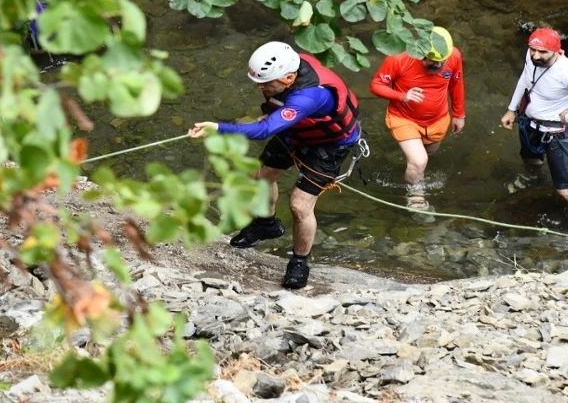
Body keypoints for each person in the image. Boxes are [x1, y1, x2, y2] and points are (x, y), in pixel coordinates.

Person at [189, 41, 361, 290]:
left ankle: (300, 261)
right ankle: (267, 224)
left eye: (266, 84)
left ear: (290, 78)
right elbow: (277, 114)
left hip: (329, 144)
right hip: (298, 130)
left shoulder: (309, 96)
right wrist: (277, 113)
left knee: (299, 206)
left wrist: (217, 128)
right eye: (258, 82)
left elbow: (264, 131)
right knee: (259, 176)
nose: (260, 88)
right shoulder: (291, 65)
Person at [500, 28, 568, 208]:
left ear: (557, 51)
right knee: (531, 159)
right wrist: (511, 109)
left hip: (557, 133)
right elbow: (525, 79)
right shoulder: (531, 55)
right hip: (529, 123)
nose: (535, 56)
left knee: (566, 189)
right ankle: (533, 178)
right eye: (533, 50)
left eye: (542, 52)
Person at [368, 26, 465, 212]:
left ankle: (413, 167)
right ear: (421, 54)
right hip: (403, 117)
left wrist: (459, 114)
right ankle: (415, 197)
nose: (438, 66)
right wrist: (402, 96)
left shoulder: (454, 56)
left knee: (428, 155)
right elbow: (376, 84)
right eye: (433, 61)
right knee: (419, 161)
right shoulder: (398, 59)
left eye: (441, 61)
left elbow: (456, 83)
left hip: (437, 119)